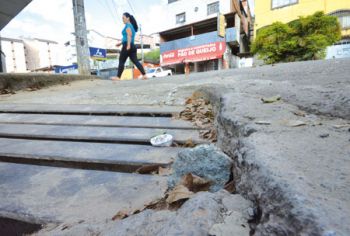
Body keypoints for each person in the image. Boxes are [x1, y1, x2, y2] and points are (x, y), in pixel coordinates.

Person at [113, 12, 147, 80]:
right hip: (133, 46)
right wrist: (120, 43)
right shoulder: (132, 26)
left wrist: (128, 45)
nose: (122, 19)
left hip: (127, 45)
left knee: (121, 61)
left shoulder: (128, 25)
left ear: (128, 18)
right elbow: (127, 36)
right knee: (136, 61)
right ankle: (144, 75)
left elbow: (129, 35)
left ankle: (118, 77)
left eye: (123, 18)